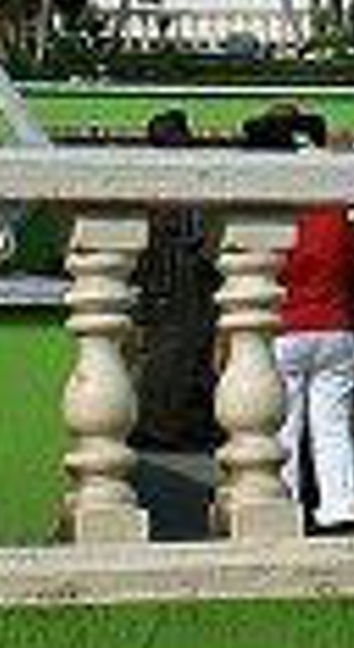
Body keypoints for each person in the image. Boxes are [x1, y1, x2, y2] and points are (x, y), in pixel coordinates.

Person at [262, 107, 354, 531]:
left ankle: (285, 505)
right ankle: (341, 506)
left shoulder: (279, 212)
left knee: (284, 428)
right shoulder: (337, 212)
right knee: (332, 429)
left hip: (287, 327)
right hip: (336, 328)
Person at [129, 109, 221, 451]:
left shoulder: (161, 178)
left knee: (173, 356)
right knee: (174, 356)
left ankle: (171, 423)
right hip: (179, 279)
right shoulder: (188, 175)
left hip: (177, 279)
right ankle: (170, 424)